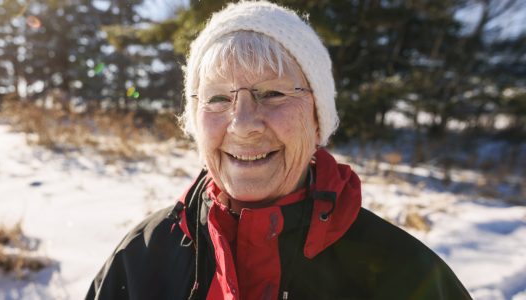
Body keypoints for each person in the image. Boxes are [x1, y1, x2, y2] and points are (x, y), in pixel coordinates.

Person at [85, 1, 472, 299]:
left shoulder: (404, 273)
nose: (243, 123)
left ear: (318, 118)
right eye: (218, 98)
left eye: (272, 93)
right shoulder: (143, 258)